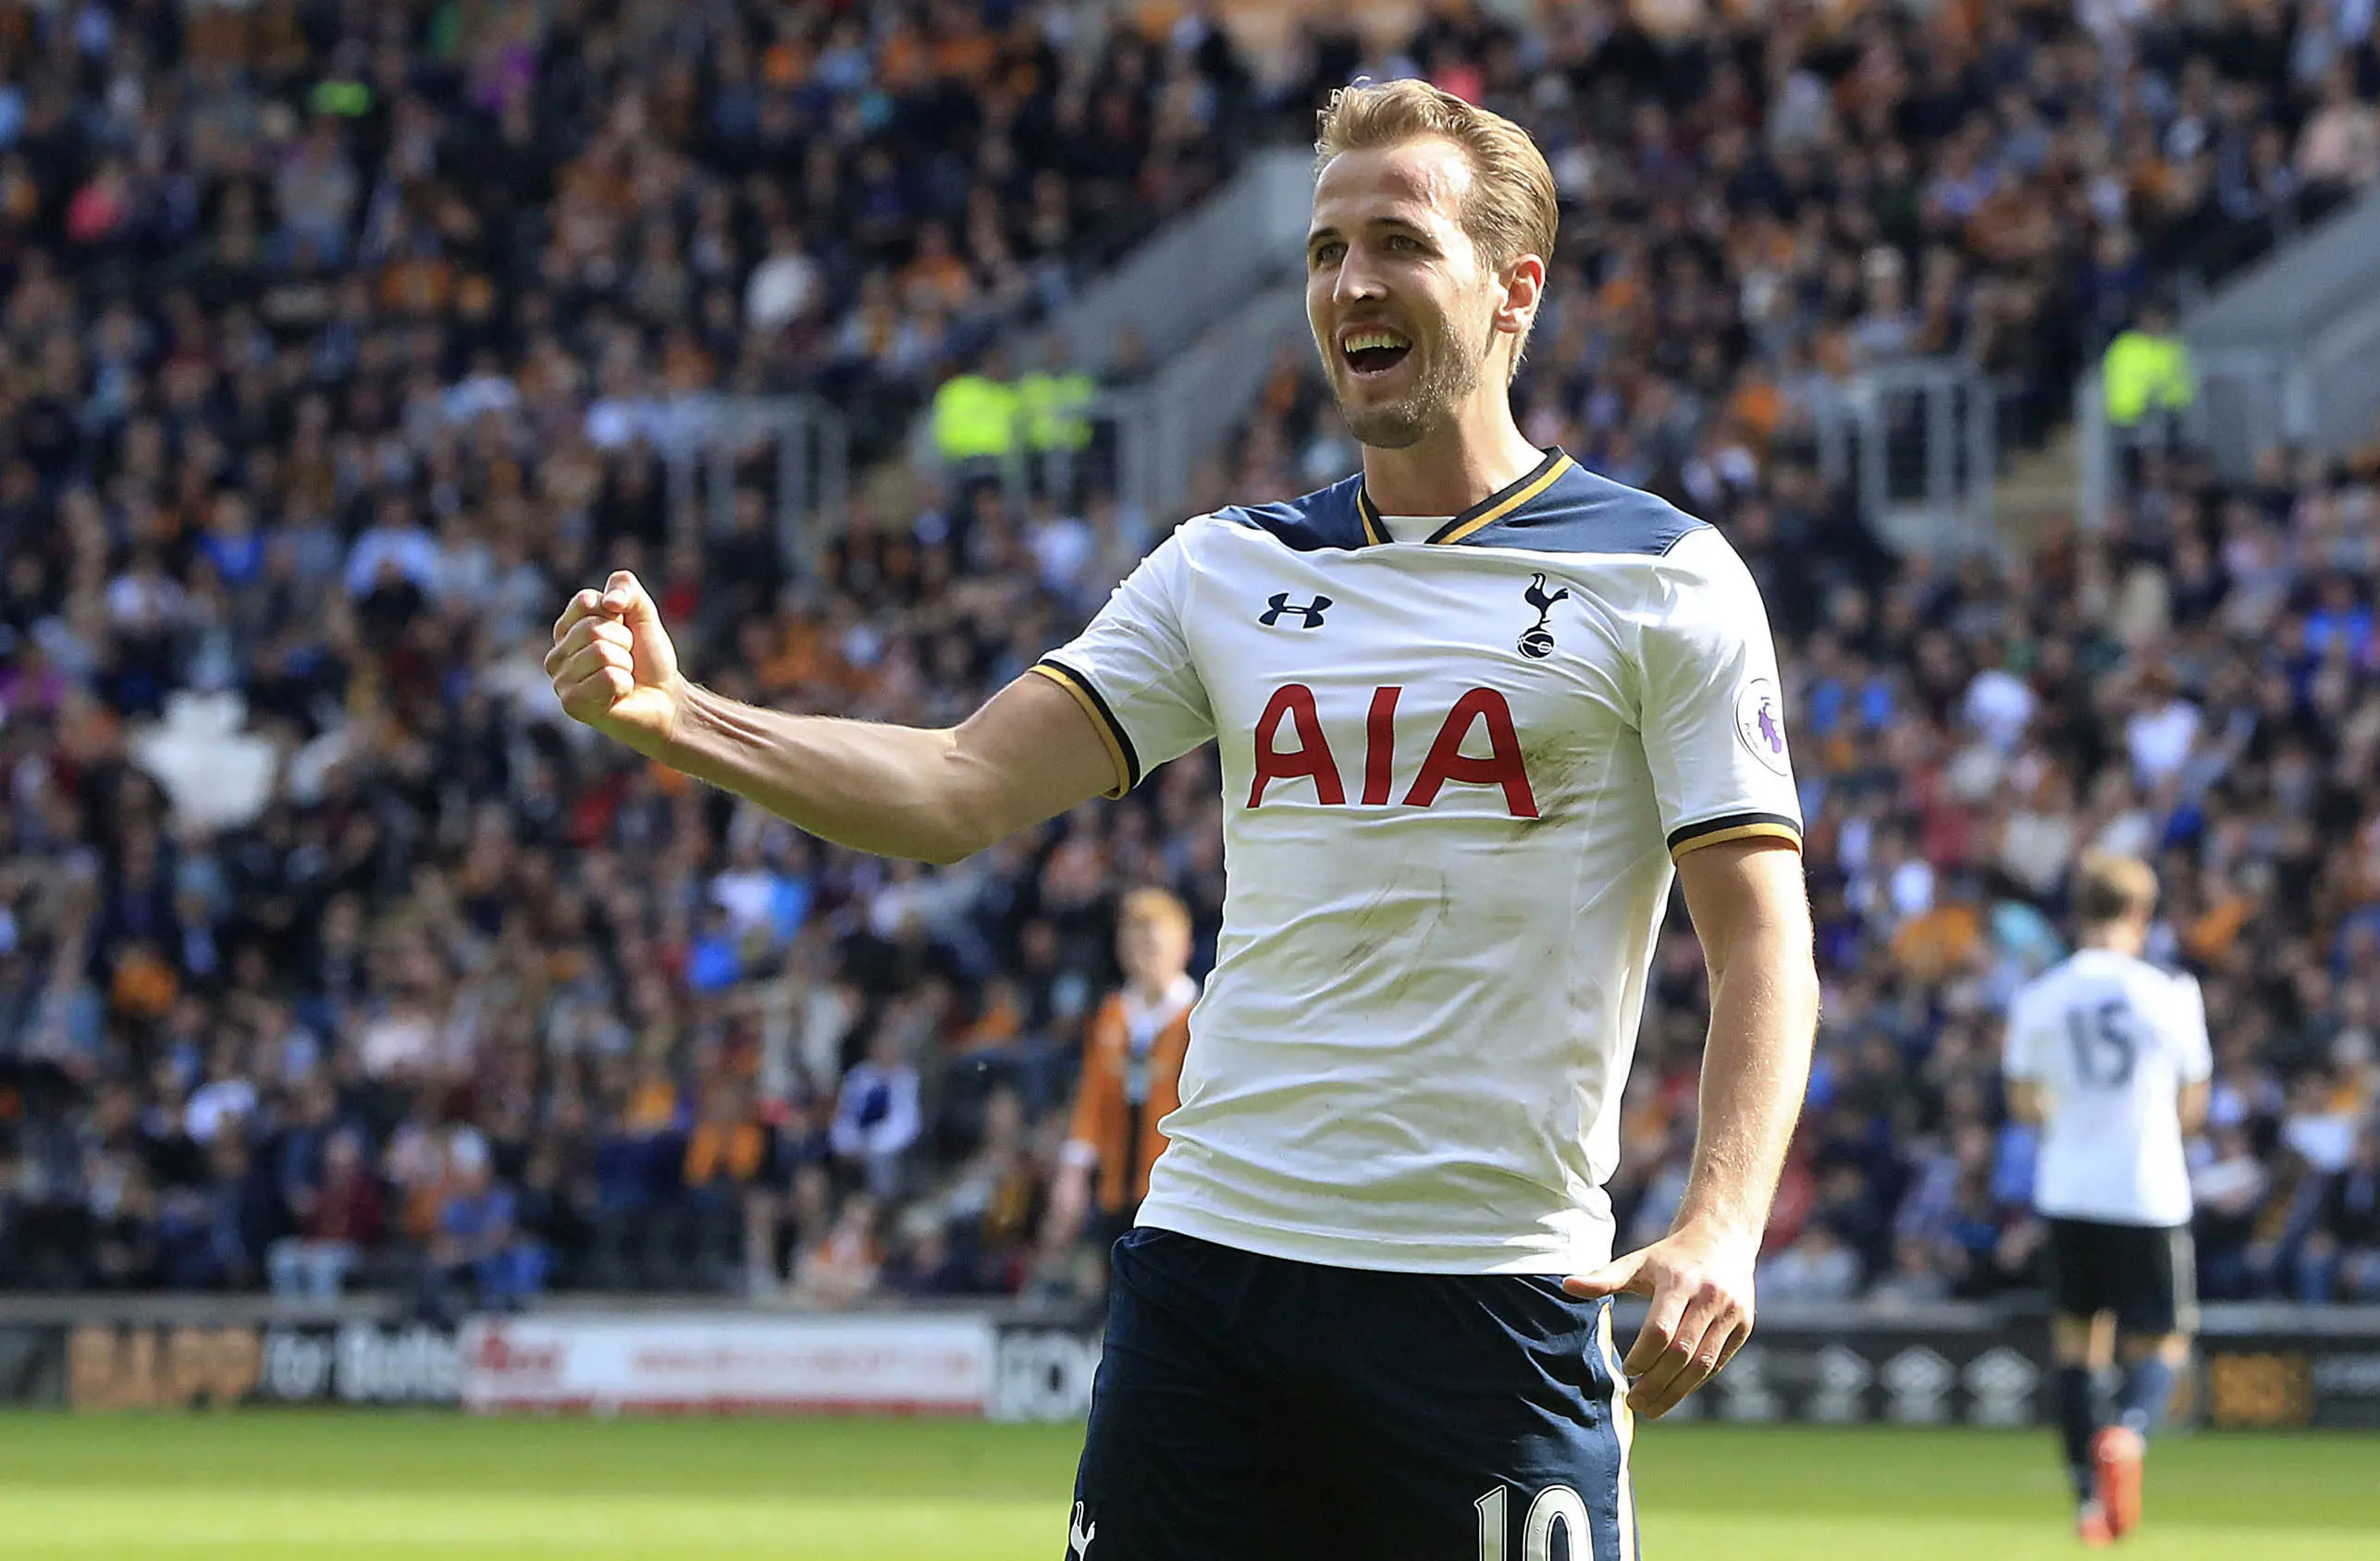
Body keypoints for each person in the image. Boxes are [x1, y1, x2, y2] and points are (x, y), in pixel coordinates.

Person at [545, 78, 1814, 1561]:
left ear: (1512, 288)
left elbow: (1759, 935)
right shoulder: (1225, 569)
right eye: (1327, 250)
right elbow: (959, 790)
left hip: (1491, 1291)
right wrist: (681, 721)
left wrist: (1723, 1223)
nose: (1352, 284)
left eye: (1400, 243)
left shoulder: (1663, 575)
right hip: (1215, 1280)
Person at [2004, 852, 2212, 1547]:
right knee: (2166, 1340)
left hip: (2068, 1187)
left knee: (2076, 1347)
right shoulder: (2172, 991)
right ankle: (2130, 1429)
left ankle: (2088, 1503)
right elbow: (2193, 1106)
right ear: (2141, 915)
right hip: (2148, 1189)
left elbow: (2025, 1103)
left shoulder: (2040, 995)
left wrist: (2070, 1115)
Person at [1039, 887, 1201, 1289]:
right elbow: (1093, 1097)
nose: (1142, 955)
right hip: (1116, 1186)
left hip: (1175, 1188)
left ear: (1183, 947)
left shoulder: (1197, 1016)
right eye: (1132, 943)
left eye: (1152, 943)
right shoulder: (1112, 1014)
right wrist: (1074, 1172)